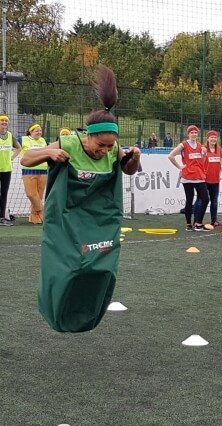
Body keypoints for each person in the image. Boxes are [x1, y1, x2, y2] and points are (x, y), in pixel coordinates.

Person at [21, 65, 141, 332]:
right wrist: (49, 154)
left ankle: (85, 315)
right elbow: (26, 158)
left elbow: (128, 170)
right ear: (88, 136)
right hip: (66, 218)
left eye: (110, 146)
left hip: (98, 219)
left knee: (99, 269)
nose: (105, 151)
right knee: (69, 268)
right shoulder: (70, 144)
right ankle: (58, 312)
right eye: (101, 146)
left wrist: (134, 159)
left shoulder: (113, 150)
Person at [168, 125, 210, 231]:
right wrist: (180, 167)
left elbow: (202, 161)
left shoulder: (200, 146)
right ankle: (188, 224)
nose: (194, 134)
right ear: (188, 134)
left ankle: (198, 222)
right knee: (189, 200)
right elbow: (171, 156)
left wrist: (204, 154)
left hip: (199, 177)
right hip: (188, 177)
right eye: (192, 132)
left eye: (195, 132)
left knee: (205, 199)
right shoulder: (184, 144)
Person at [193, 130, 222, 227]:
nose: (213, 139)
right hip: (204, 180)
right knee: (200, 199)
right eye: (211, 137)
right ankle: (196, 221)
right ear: (207, 138)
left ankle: (214, 220)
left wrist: (220, 165)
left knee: (214, 200)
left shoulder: (218, 149)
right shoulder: (204, 149)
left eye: (215, 138)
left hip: (215, 180)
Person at [19, 123, 48, 224]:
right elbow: (14, 145)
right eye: (37, 131)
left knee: (39, 195)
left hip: (43, 170)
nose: (39, 132)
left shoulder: (43, 140)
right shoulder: (23, 139)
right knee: (31, 194)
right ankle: (42, 211)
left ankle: (35, 218)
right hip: (29, 170)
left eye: (40, 130)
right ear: (30, 131)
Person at [0, 114, 21, 226]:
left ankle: (2, 217)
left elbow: (19, 148)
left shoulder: (9, 135)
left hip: (7, 169)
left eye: (6, 120)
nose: (4, 122)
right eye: (2, 120)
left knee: (4, 194)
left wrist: (12, 158)